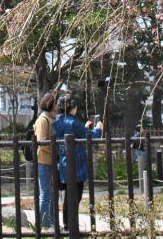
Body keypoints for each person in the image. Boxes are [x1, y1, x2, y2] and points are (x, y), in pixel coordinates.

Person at [53, 96, 103, 232]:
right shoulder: (74, 122)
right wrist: (98, 128)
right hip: (77, 162)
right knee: (76, 195)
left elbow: (79, 132)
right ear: (72, 108)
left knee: (68, 195)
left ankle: (67, 224)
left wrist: (84, 127)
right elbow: (91, 135)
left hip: (63, 162)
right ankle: (72, 225)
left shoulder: (57, 121)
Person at [32, 92, 60, 230]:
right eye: (56, 103)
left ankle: (53, 223)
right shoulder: (43, 120)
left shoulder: (53, 118)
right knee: (45, 195)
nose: (58, 105)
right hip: (44, 162)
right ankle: (45, 225)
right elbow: (41, 142)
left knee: (54, 195)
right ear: (51, 104)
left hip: (54, 162)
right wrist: (56, 148)